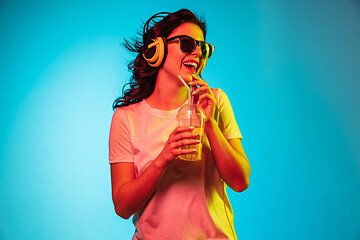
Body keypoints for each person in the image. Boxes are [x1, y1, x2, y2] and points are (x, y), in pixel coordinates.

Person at [109, 9, 251, 240]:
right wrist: (162, 160)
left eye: (203, 48)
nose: (197, 53)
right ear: (158, 48)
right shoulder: (127, 118)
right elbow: (123, 207)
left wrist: (210, 126)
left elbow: (240, 181)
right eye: (187, 43)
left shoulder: (216, 101)